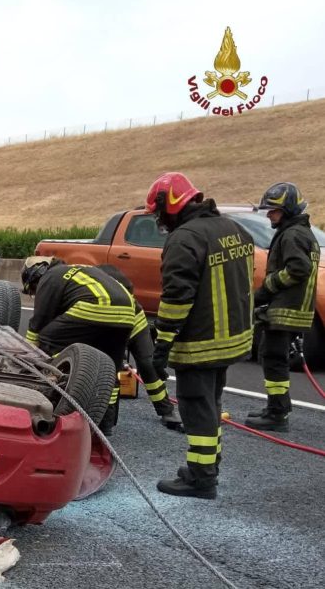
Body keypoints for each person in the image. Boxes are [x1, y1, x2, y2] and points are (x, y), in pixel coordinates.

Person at [146, 172, 253, 499]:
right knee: (212, 402)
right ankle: (210, 464)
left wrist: (162, 343)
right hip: (231, 339)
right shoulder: (234, 229)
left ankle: (201, 478)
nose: (159, 219)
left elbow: (177, 298)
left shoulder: (184, 239)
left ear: (172, 204)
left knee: (196, 407)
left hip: (201, 343)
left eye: (159, 211)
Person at [21, 256, 136, 435]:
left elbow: (39, 321)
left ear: (35, 274)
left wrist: (28, 356)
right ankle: (105, 424)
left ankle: (48, 397)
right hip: (128, 313)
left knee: (48, 338)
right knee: (111, 368)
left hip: (95, 307)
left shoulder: (50, 277)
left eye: (34, 288)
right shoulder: (75, 270)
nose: (36, 292)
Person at [246, 182, 320, 431]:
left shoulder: (292, 235)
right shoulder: (302, 232)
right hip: (294, 309)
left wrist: (268, 286)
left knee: (273, 358)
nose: (269, 215)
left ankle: (277, 414)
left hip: (286, 309)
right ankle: (276, 408)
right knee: (272, 356)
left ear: (288, 209)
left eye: (274, 210)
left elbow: (298, 269)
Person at [97, 264, 183, 431]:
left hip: (133, 317)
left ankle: (166, 411)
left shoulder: (115, 283)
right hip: (108, 321)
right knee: (109, 369)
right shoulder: (86, 293)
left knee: (148, 364)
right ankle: (106, 422)